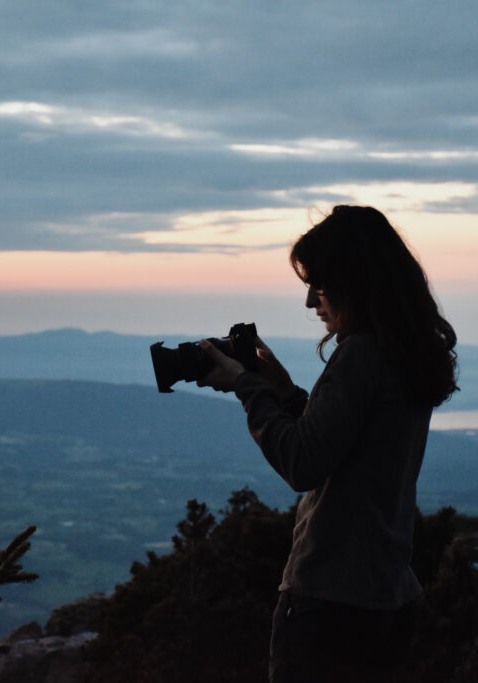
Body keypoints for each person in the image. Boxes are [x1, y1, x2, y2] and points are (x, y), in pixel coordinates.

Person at [196, 205, 458, 682]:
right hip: (388, 597)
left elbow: (303, 463)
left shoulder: (359, 354)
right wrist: (286, 392)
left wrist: (247, 388)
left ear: (353, 281)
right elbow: (347, 444)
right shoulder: (404, 353)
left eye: (319, 285)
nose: (311, 302)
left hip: (331, 600)